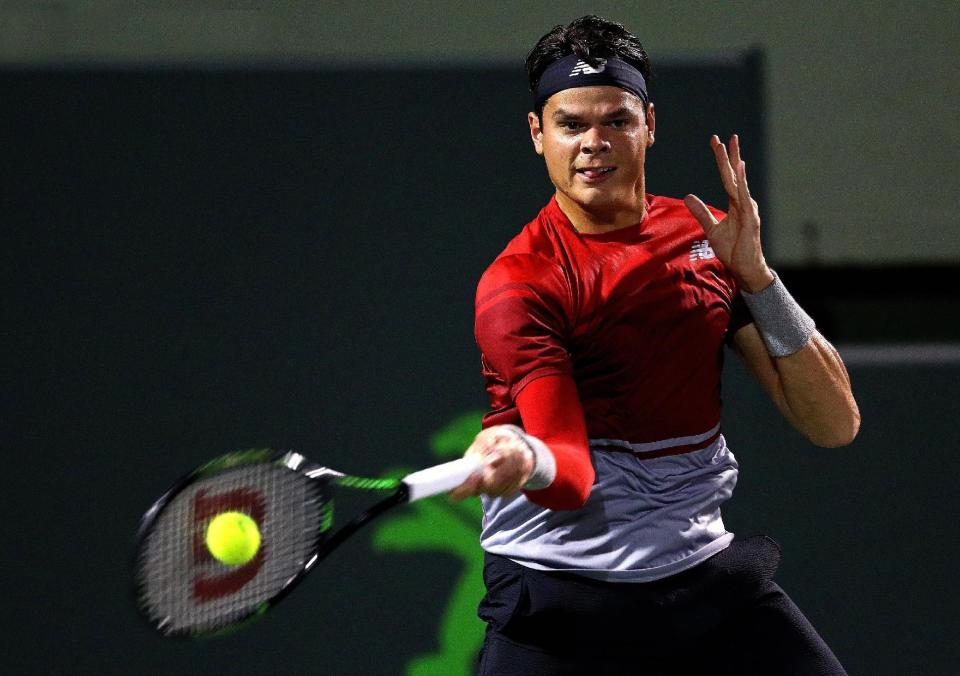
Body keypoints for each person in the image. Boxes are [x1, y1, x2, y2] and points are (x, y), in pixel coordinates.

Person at [448, 14, 861, 676]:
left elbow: (834, 422)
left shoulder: (708, 238)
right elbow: (571, 473)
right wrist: (524, 454)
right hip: (562, 601)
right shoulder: (520, 283)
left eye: (616, 120)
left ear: (650, 126)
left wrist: (757, 278)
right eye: (571, 124)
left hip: (702, 582)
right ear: (537, 135)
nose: (594, 143)